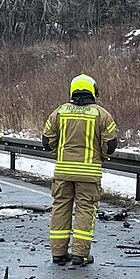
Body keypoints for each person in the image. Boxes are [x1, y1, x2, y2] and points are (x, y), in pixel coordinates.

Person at [42, 74, 118, 267]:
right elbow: (110, 146)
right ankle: (80, 255)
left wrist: (60, 152)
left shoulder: (59, 112)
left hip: (63, 172)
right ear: (93, 91)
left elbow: (46, 141)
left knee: (60, 209)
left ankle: (58, 253)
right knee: (85, 211)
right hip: (89, 174)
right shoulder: (102, 114)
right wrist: (100, 155)